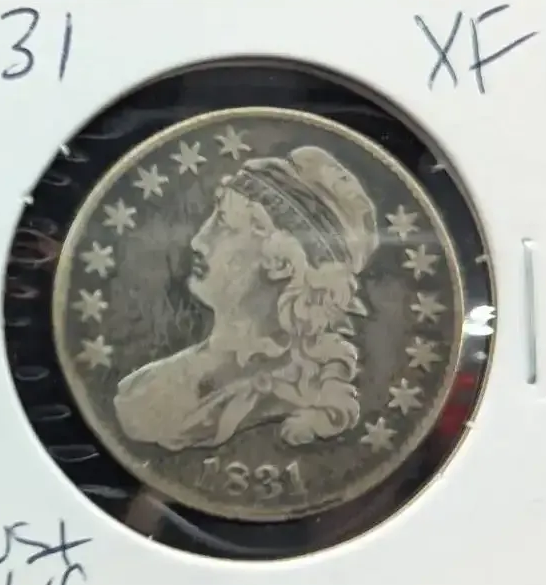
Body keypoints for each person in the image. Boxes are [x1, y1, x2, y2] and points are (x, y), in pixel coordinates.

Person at [113, 145, 378, 452]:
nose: (199, 240)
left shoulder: (277, 398)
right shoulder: (152, 381)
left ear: (281, 264)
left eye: (223, 225)